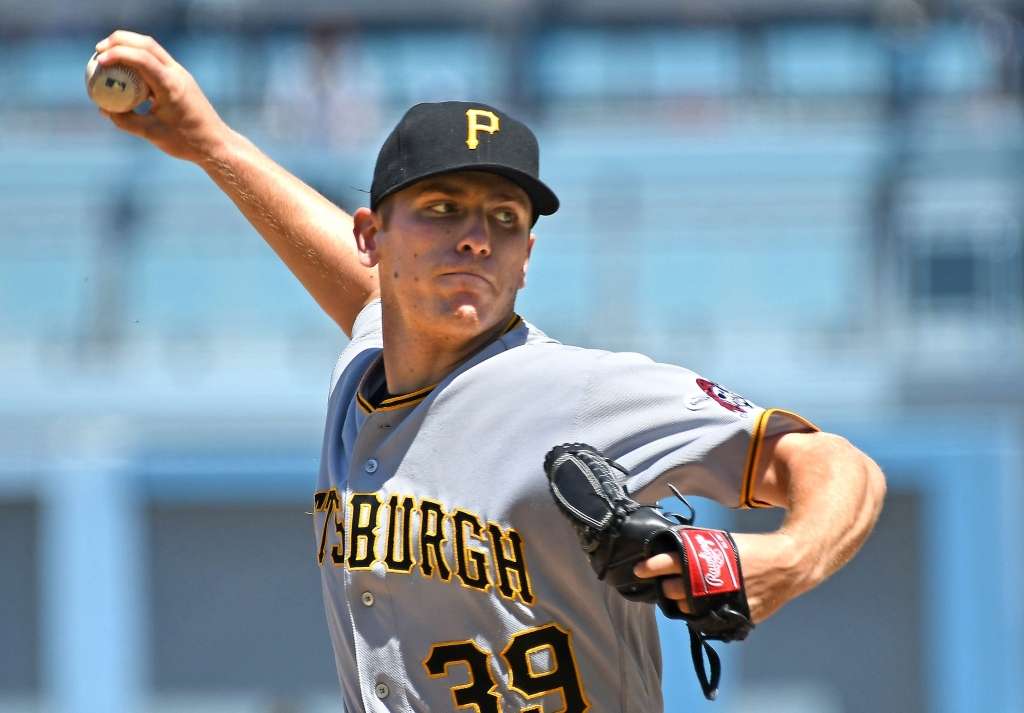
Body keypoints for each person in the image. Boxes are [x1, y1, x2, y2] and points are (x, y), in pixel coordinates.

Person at [92, 31, 886, 712]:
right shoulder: (368, 358)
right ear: (373, 234)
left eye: (504, 219)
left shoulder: (576, 391)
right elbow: (364, 287)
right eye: (442, 207)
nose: (476, 237)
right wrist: (210, 143)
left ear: (527, 257)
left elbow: (834, 463)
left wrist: (786, 557)